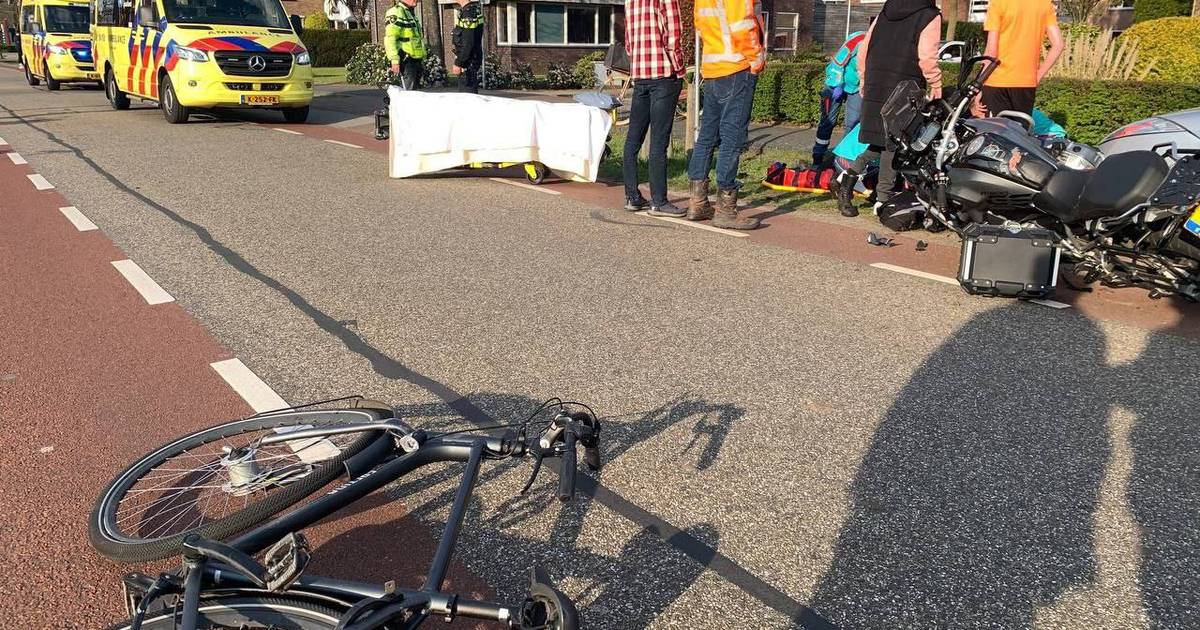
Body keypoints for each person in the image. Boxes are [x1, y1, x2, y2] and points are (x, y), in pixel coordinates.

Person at [832, 0, 941, 218]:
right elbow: (927, 56)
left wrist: (864, 80)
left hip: (876, 82)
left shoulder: (886, 11)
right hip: (905, 86)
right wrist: (936, 83)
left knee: (880, 143)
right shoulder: (929, 15)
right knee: (894, 145)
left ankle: (846, 180)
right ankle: (883, 199)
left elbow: (864, 50)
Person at [686, 0, 766, 230]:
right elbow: (743, 25)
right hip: (736, 67)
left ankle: (697, 203)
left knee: (707, 137)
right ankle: (726, 210)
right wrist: (756, 59)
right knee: (733, 138)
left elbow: (701, 27)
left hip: (712, 69)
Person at [621, 0, 685, 216]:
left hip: (640, 75)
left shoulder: (630, 2)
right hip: (663, 75)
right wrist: (679, 69)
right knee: (659, 141)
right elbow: (674, 36)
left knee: (633, 139)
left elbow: (629, 42)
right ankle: (659, 201)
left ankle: (632, 196)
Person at [981, 0, 1062, 117]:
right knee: (1019, 131)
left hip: (996, 80)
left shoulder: (998, 3)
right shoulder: (1044, 4)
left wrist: (978, 86)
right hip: (1026, 82)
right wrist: (1037, 76)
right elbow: (1058, 45)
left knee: (995, 132)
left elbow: (991, 51)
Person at [812, 31, 866, 166]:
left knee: (853, 124)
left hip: (856, 87)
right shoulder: (858, 40)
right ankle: (818, 157)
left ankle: (842, 160)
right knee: (828, 121)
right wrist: (837, 84)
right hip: (835, 84)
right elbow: (838, 63)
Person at [384, 0, 426, 91]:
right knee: (408, 94)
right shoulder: (396, 12)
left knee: (415, 94)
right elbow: (390, 38)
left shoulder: (410, 13)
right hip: (406, 60)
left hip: (415, 59)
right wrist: (394, 60)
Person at [451, 0, 483, 93]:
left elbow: (468, 43)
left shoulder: (468, 13)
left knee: (467, 100)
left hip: (467, 64)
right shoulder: (472, 10)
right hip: (470, 61)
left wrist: (458, 63)